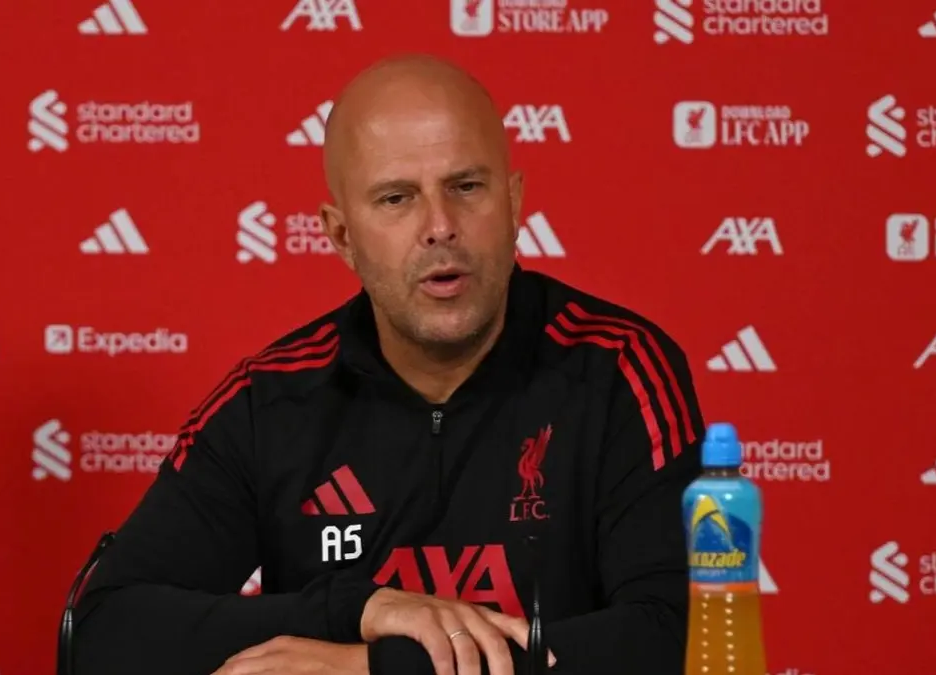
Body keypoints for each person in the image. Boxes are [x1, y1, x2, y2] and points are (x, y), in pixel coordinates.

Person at [71, 54, 705, 675]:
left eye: (466, 187)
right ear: (341, 236)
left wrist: (370, 667)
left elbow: (681, 639)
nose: (440, 226)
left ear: (514, 203)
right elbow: (99, 636)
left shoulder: (619, 368)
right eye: (397, 198)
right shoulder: (271, 402)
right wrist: (357, 609)